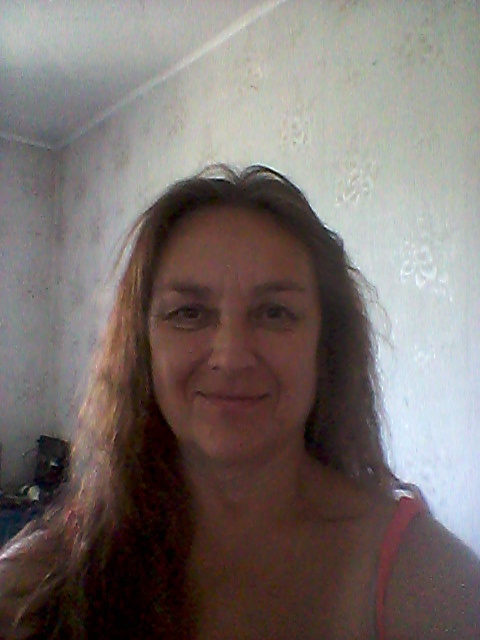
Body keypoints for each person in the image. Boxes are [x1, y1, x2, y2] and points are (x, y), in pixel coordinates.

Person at [0, 164, 479, 639]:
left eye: (275, 312)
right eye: (189, 312)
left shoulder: (427, 580)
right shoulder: (41, 583)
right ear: (143, 347)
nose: (230, 357)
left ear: (324, 346)